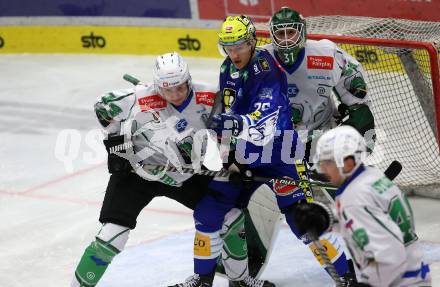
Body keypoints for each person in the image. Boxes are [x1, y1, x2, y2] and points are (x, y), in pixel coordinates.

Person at [71, 52, 271, 287]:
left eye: (181, 87)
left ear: (189, 79)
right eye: (168, 90)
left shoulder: (210, 96)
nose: (176, 95)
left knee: (231, 218)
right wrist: (118, 149)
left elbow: (226, 134)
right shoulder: (139, 97)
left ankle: (240, 280)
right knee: (111, 236)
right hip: (138, 173)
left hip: (185, 173)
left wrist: (235, 164)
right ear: (158, 87)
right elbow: (103, 107)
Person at [170, 15, 322, 287]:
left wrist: (232, 123)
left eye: (239, 46)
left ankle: (348, 275)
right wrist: (229, 157)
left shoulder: (267, 69)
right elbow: (229, 113)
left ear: (252, 42)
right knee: (209, 213)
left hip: (278, 155)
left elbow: (263, 120)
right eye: (228, 47)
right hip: (244, 157)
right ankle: (205, 280)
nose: (233, 53)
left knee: (303, 221)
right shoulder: (227, 68)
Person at [294, 125, 432, 286]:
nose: (322, 168)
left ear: (349, 163)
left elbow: (389, 253)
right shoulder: (373, 176)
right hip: (414, 274)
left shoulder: (355, 196)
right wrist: (327, 217)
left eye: (328, 162)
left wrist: (366, 285)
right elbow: (368, 218)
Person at [262, 6, 375, 162]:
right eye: (281, 33)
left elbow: (353, 82)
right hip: (275, 136)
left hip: (321, 130)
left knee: (362, 117)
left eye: (291, 32)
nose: (287, 39)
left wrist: (358, 117)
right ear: (273, 35)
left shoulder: (326, 54)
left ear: (302, 32)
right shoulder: (259, 61)